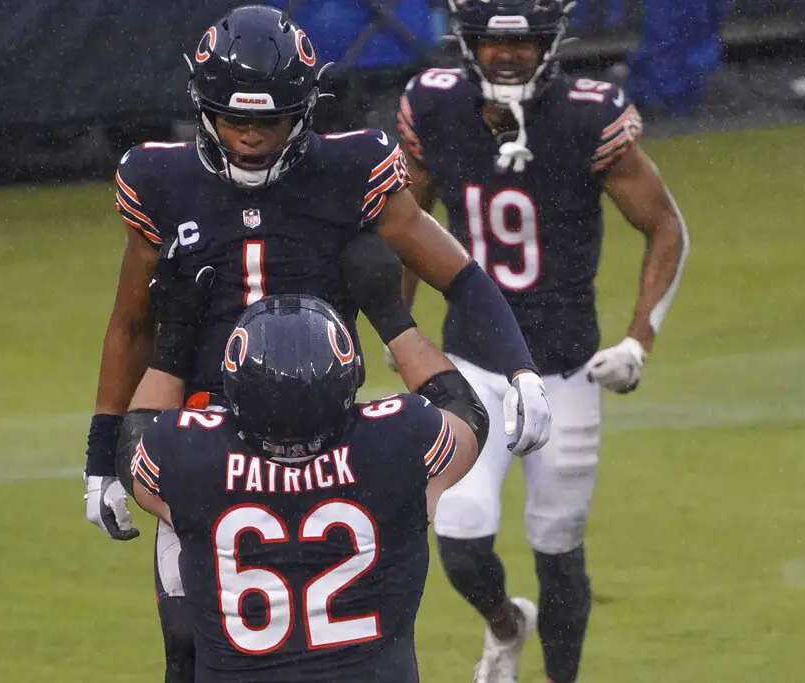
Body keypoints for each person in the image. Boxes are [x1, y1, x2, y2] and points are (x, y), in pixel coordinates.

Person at [81, 5, 552, 682]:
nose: (247, 135)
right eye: (232, 117)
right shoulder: (161, 181)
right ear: (203, 106)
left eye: (267, 119)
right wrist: (100, 455)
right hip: (204, 434)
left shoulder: (351, 168)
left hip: (320, 431)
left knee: (349, 615)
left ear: (302, 110)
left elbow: (458, 272)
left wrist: (520, 368)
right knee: (188, 637)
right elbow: (129, 321)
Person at [394, 1, 690, 682]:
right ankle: (505, 622)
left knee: (558, 548)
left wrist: (639, 339)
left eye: (523, 42)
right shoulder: (435, 105)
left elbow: (666, 226)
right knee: (460, 537)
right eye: (491, 43)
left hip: (565, 368)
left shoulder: (589, 115)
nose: (506, 56)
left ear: (550, 41)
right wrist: (400, 327)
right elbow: (403, 222)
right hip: (473, 366)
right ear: (466, 42)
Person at [127, 233, 491, 683]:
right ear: (347, 374)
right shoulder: (396, 440)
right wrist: (390, 315)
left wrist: (174, 341)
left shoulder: (190, 455)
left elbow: (134, 450)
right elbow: (468, 417)